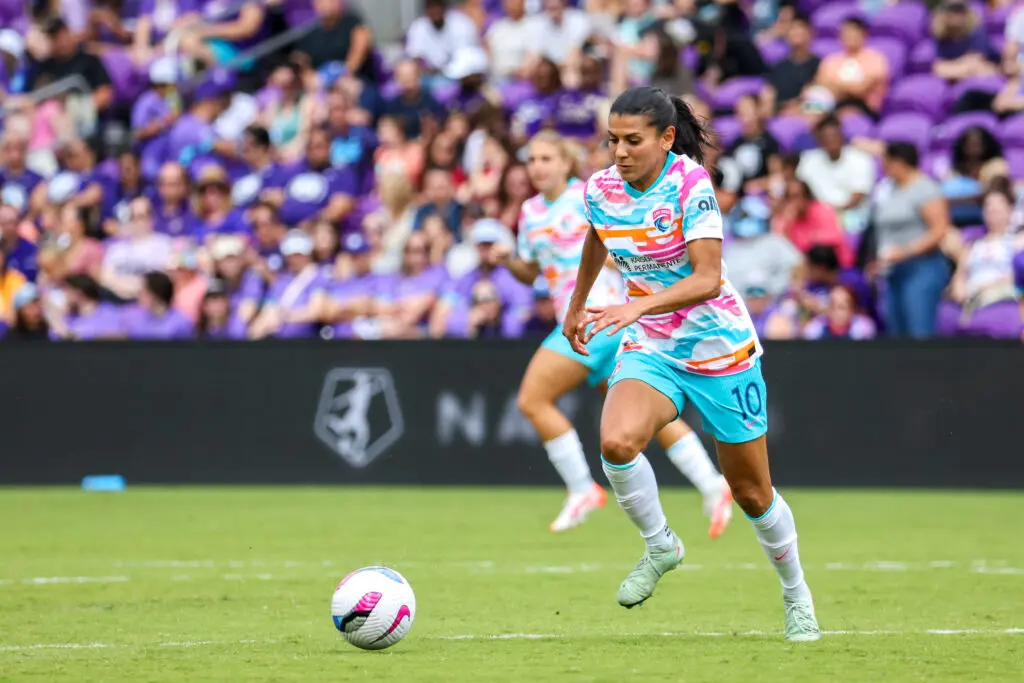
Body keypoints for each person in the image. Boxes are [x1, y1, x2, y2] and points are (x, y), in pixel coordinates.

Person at [562, 86, 820, 640]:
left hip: (720, 348)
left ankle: (796, 594)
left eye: (633, 140)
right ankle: (661, 546)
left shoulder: (689, 184)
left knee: (752, 493)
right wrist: (577, 303)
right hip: (652, 345)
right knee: (615, 442)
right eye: (613, 141)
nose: (620, 152)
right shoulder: (601, 188)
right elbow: (598, 237)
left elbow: (706, 278)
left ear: (666, 137)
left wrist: (636, 304)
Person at [495, 130, 733, 535]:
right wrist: (507, 261)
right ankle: (713, 485)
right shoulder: (531, 212)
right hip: (582, 321)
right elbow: (532, 271)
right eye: (532, 160)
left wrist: (620, 264)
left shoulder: (588, 196)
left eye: (546, 159)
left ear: (566, 163)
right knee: (644, 418)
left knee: (533, 398)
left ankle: (582, 488)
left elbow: (618, 245)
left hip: (602, 317)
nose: (537, 167)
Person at [871, 142, 951, 338]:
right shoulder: (888, 190)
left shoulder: (925, 189)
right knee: (896, 333)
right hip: (893, 270)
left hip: (921, 268)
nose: (884, 167)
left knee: (919, 331)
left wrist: (906, 251)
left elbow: (939, 229)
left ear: (900, 162)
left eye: (887, 162)